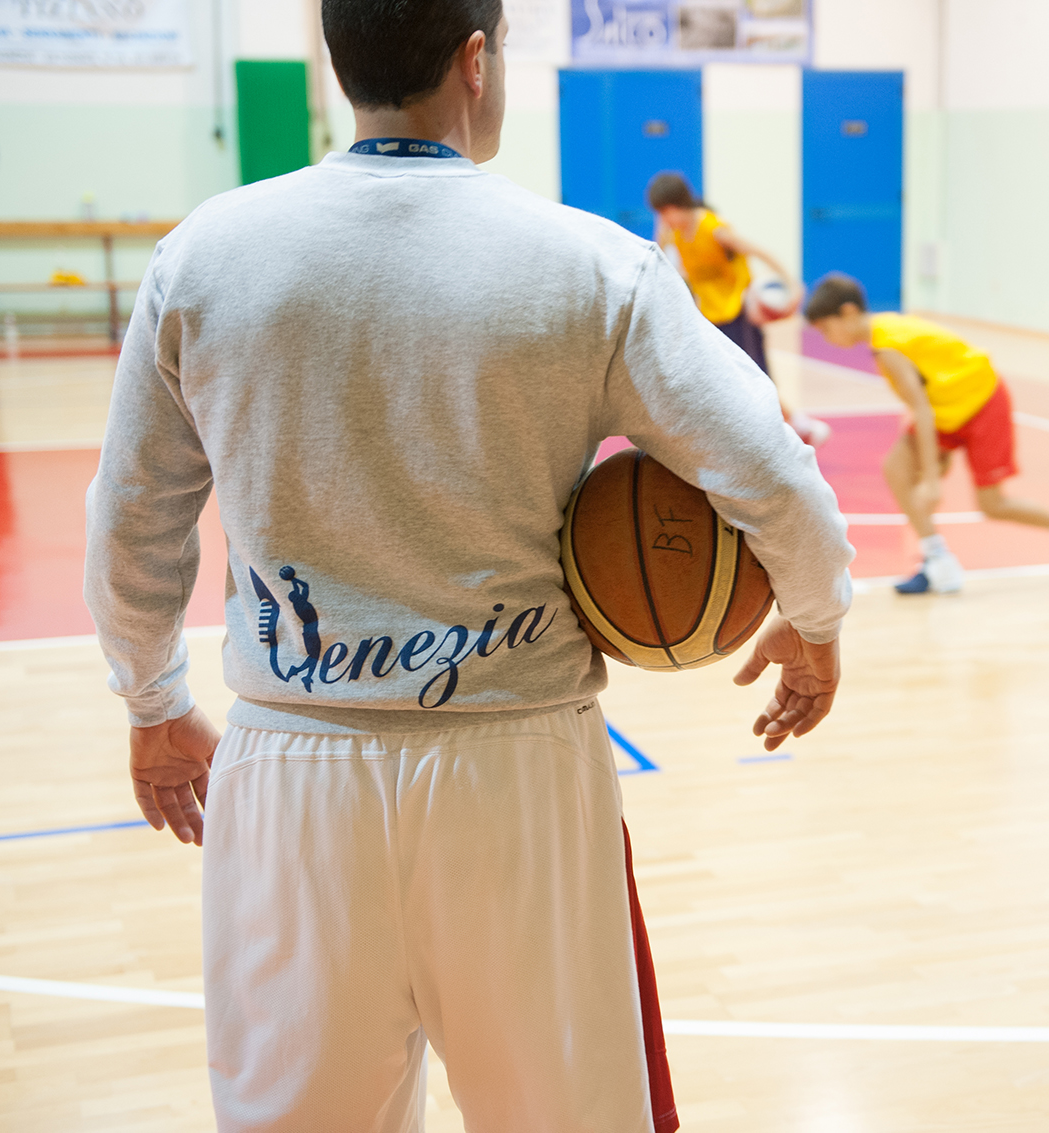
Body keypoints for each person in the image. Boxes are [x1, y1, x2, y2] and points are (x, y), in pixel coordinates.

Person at [83, 1, 854, 1128]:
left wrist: (153, 701)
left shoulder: (203, 254)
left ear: (334, 60)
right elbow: (774, 474)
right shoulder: (593, 263)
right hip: (517, 771)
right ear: (476, 60)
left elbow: (132, 517)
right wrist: (816, 615)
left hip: (292, 766)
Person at [804, 271, 1049, 593]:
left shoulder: (887, 345)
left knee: (991, 504)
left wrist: (933, 481)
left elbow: (920, 409)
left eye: (826, 328)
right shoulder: (885, 330)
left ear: (849, 312)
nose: (827, 338)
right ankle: (938, 560)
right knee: (896, 467)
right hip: (947, 408)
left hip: (981, 401)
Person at [647, 171, 829, 445]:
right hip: (708, 311)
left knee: (753, 374)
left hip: (737, 307)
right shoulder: (673, 232)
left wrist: (792, 285)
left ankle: (796, 425)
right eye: (659, 213)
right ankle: (781, 427)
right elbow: (658, 257)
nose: (663, 217)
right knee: (717, 374)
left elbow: (761, 252)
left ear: (679, 205)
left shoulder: (713, 229)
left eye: (665, 211)